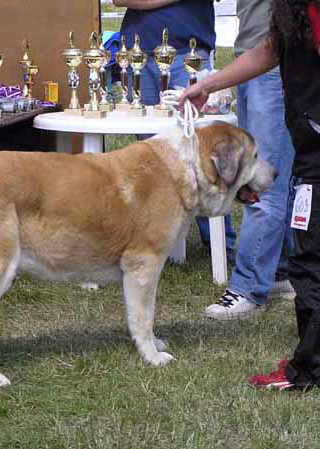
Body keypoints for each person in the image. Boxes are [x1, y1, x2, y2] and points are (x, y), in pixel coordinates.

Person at [179, 0, 320, 390]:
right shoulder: (297, 8)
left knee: (315, 256)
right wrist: (209, 85)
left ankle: (310, 369)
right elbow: (269, 51)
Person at [113, 0, 238, 260]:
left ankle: (218, 242)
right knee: (150, 156)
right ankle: (157, 235)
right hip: (139, 51)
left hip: (188, 53)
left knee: (202, 148)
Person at [202, 0, 296, 320]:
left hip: (269, 61)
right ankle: (281, 271)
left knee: (261, 180)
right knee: (278, 176)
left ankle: (248, 287)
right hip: (252, 57)